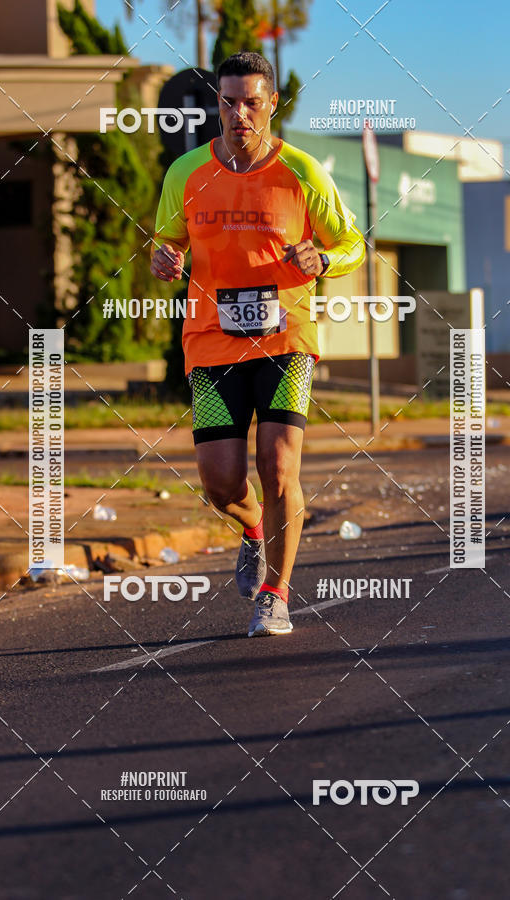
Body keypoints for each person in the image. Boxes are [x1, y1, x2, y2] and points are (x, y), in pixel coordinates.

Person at [151, 51, 365, 637]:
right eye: (229, 101)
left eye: (251, 101)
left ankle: (275, 593)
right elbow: (165, 243)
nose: (239, 112)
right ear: (216, 105)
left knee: (278, 465)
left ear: (272, 104)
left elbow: (353, 246)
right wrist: (163, 258)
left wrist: (322, 257)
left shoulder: (301, 170)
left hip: (285, 339)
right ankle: (252, 531)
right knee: (221, 482)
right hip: (212, 342)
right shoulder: (186, 174)